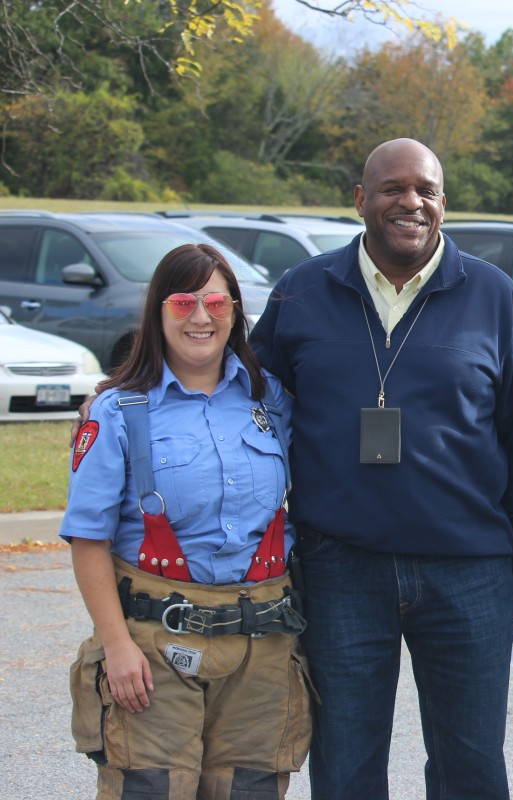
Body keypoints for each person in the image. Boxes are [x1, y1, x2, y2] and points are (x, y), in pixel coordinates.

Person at [248, 138, 513, 799]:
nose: (410, 202)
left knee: (469, 771)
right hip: (340, 571)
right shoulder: (303, 292)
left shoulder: (494, 298)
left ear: (444, 204)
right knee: (346, 767)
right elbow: (249, 412)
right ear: (360, 199)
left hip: (469, 574)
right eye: (392, 188)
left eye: (426, 190)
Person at [63, 244, 308, 799]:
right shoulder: (118, 411)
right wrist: (117, 645)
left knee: (250, 790)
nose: (201, 317)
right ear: (157, 311)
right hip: (152, 650)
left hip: (262, 652)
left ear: (236, 312)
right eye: (183, 302)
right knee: (151, 789)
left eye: (217, 302)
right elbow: (87, 539)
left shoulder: (273, 403)